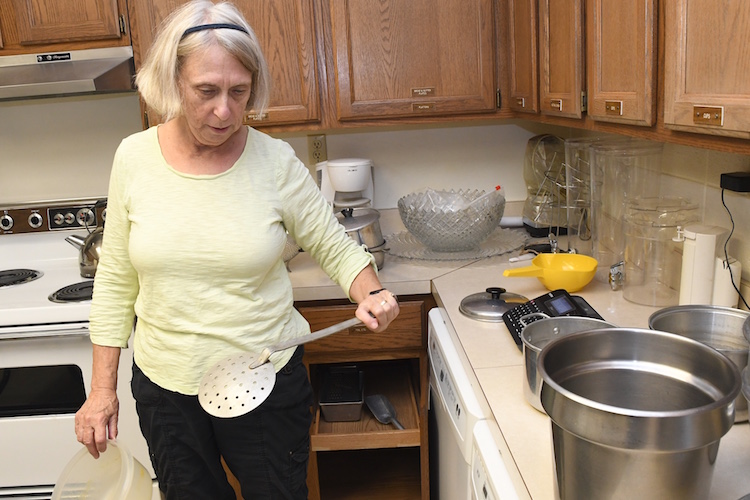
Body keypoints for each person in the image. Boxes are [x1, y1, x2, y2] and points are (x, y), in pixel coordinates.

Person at [73, 1, 399, 498]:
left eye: (238, 92)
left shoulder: (275, 161)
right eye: (206, 91)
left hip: (262, 379)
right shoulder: (134, 158)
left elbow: (335, 246)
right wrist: (101, 392)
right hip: (166, 388)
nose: (224, 110)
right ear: (173, 81)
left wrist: (372, 292)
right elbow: (116, 278)